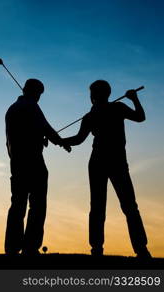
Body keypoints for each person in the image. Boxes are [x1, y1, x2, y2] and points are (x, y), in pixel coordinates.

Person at [63, 80, 151, 259]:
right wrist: (134, 99)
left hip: (100, 161)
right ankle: (140, 249)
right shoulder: (115, 108)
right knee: (128, 206)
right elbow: (140, 117)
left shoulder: (94, 114)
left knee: (100, 207)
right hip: (114, 161)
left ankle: (98, 249)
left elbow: (78, 140)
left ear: (94, 96)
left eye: (91, 94)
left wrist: (62, 141)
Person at [5, 78, 71, 255]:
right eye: (39, 94)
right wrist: (61, 142)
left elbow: (18, 136)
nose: (39, 97)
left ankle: (12, 247)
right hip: (34, 162)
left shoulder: (12, 109)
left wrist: (38, 138)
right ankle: (30, 246)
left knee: (17, 204)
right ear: (35, 92)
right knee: (38, 204)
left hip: (16, 163)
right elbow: (46, 128)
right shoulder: (32, 106)